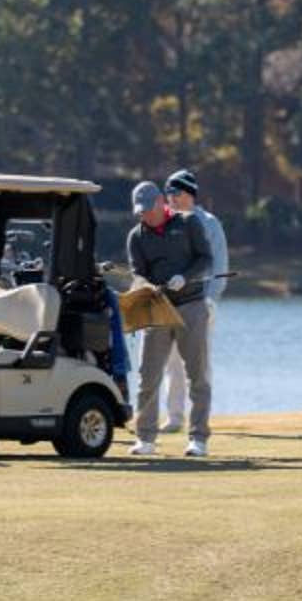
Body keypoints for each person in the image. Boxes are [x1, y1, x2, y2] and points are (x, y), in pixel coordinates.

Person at [125, 180, 215, 457]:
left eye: (148, 210)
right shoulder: (137, 236)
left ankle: (198, 439)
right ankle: (146, 439)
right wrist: (145, 285)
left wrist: (184, 277)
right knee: (147, 375)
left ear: (161, 202)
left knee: (196, 374)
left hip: (191, 305)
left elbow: (205, 260)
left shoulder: (188, 223)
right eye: (139, 212)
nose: (145, 216)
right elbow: (137, 272)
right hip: (157, 307)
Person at [160, 169, 227, 433]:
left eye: (175, 193)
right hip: (169, 305)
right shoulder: (163, 222)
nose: (171, 198)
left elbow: (219, 265)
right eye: (168, 194)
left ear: (189, 194)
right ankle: (175, 418)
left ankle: (201, 418)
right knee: (170, 363)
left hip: (200, 304)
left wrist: (211, 300)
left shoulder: (209, 223)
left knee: (199, 365)